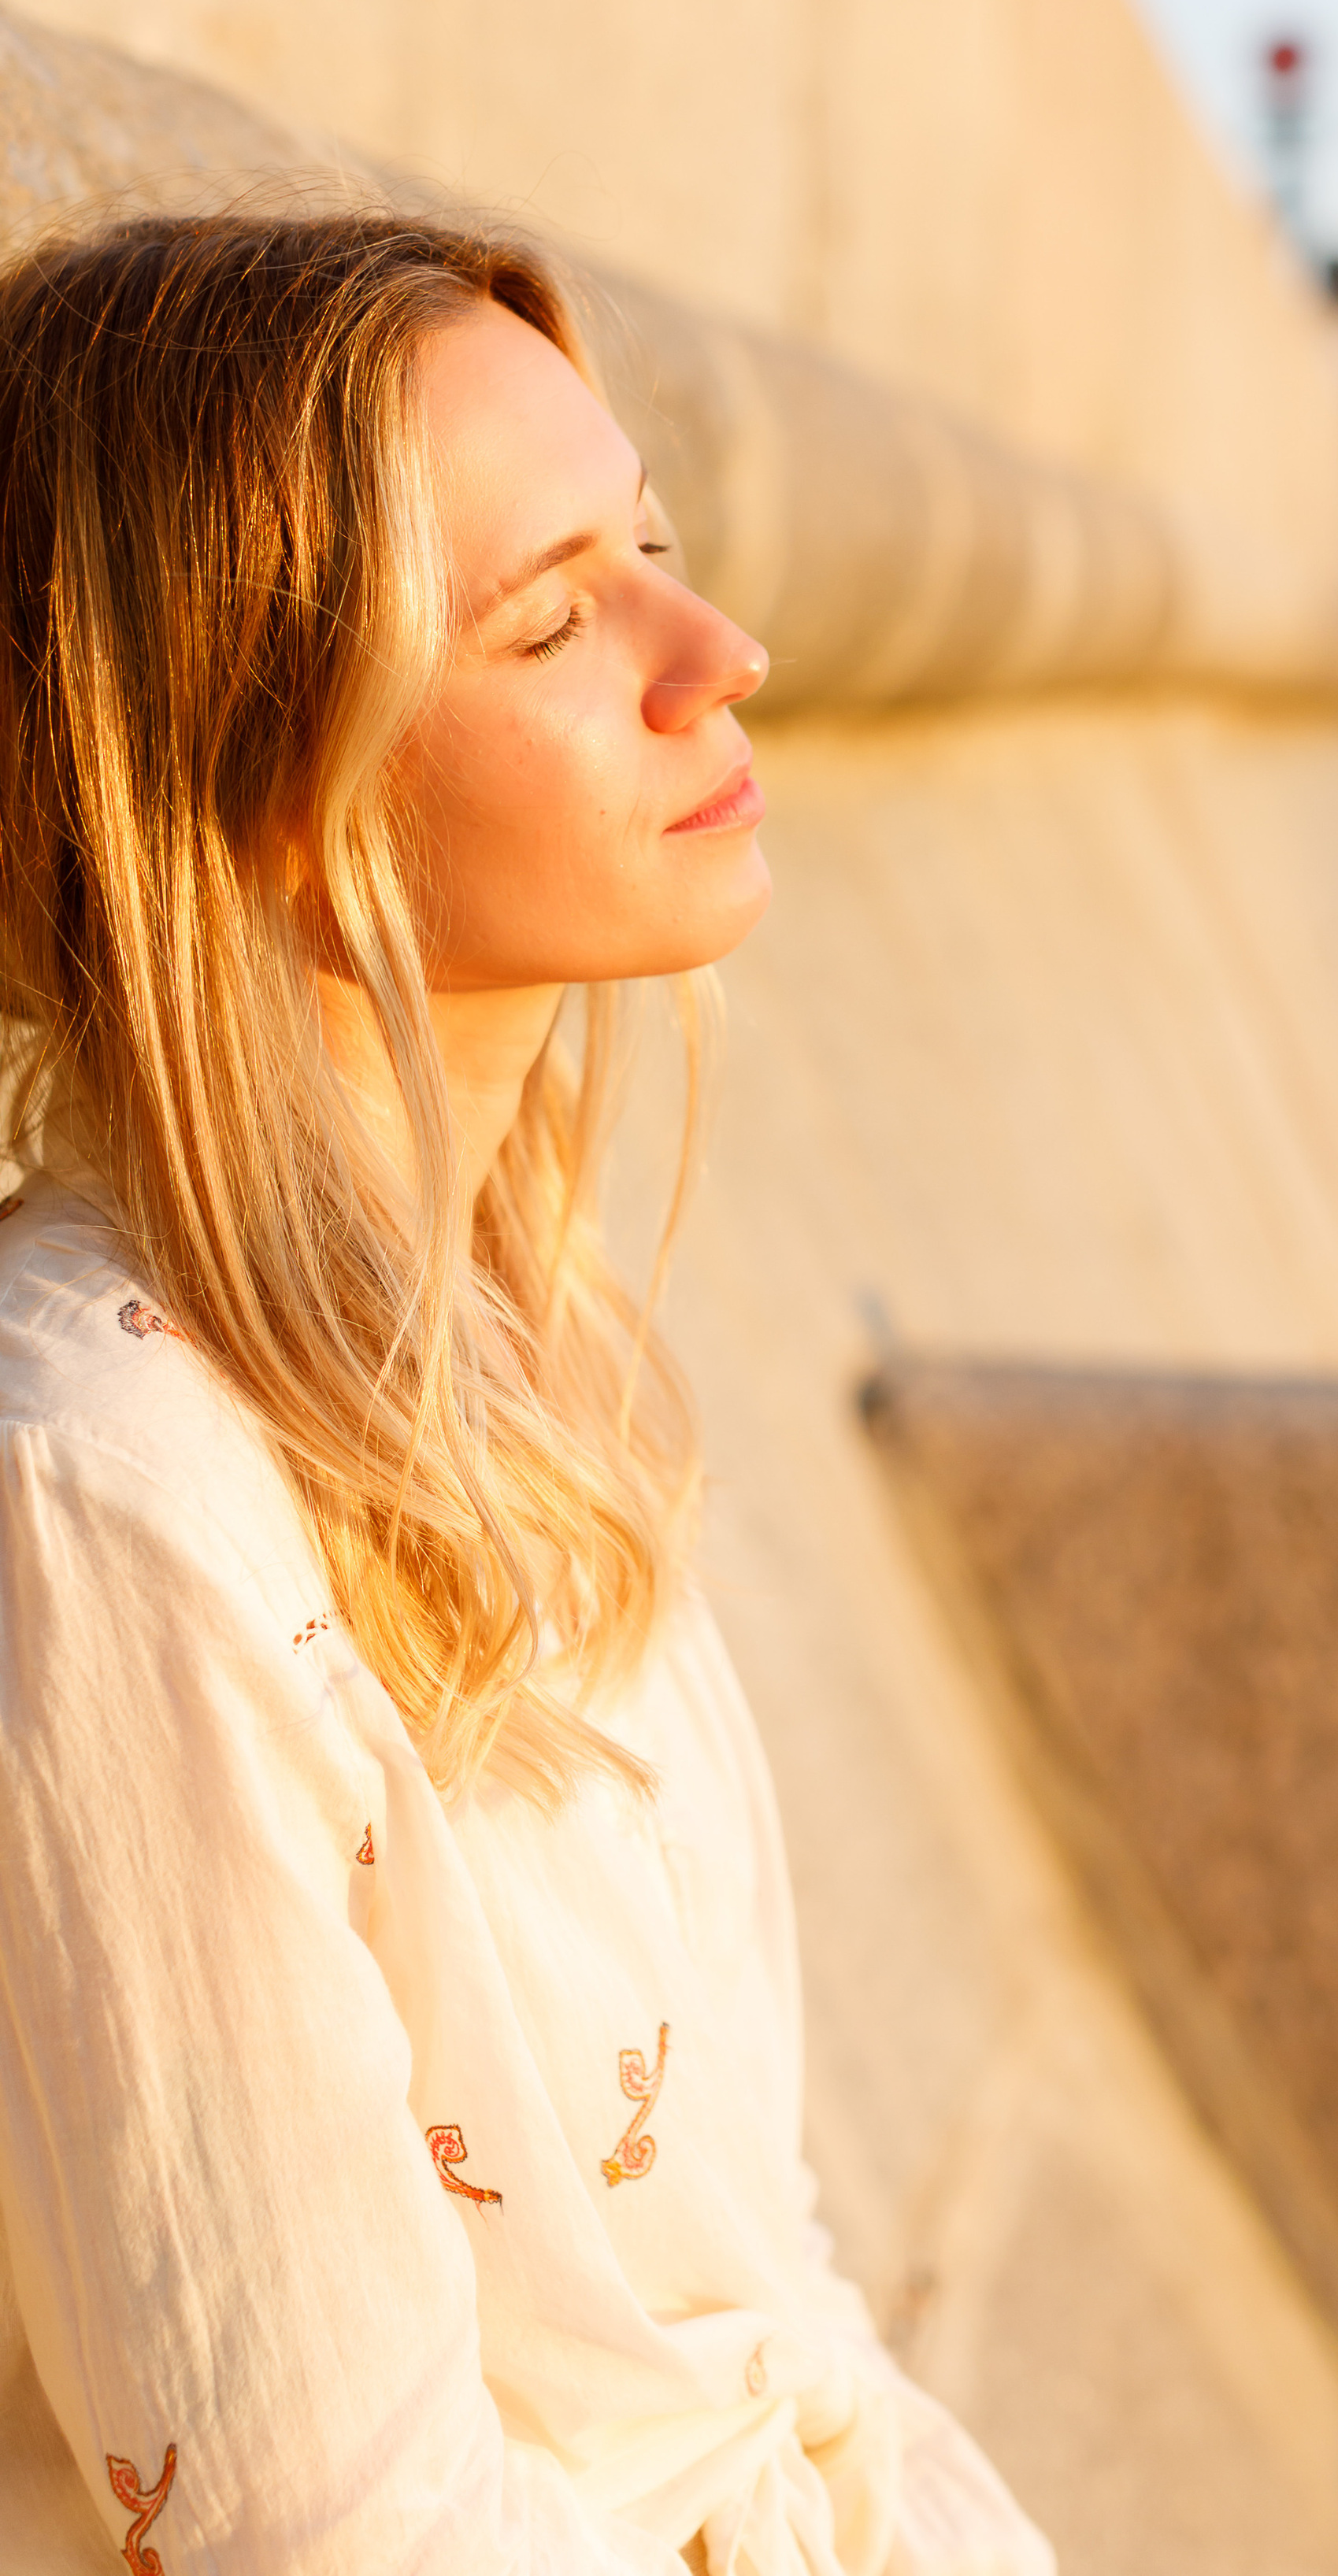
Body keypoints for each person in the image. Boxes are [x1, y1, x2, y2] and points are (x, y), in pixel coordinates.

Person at [0, 209, 1054, 2576]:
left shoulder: (502, 1359)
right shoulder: (109, 1490)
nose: (725, 651)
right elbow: (330, 2530)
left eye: (656, 545)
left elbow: (756, 2286)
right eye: (559, 617)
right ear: (257, 775)